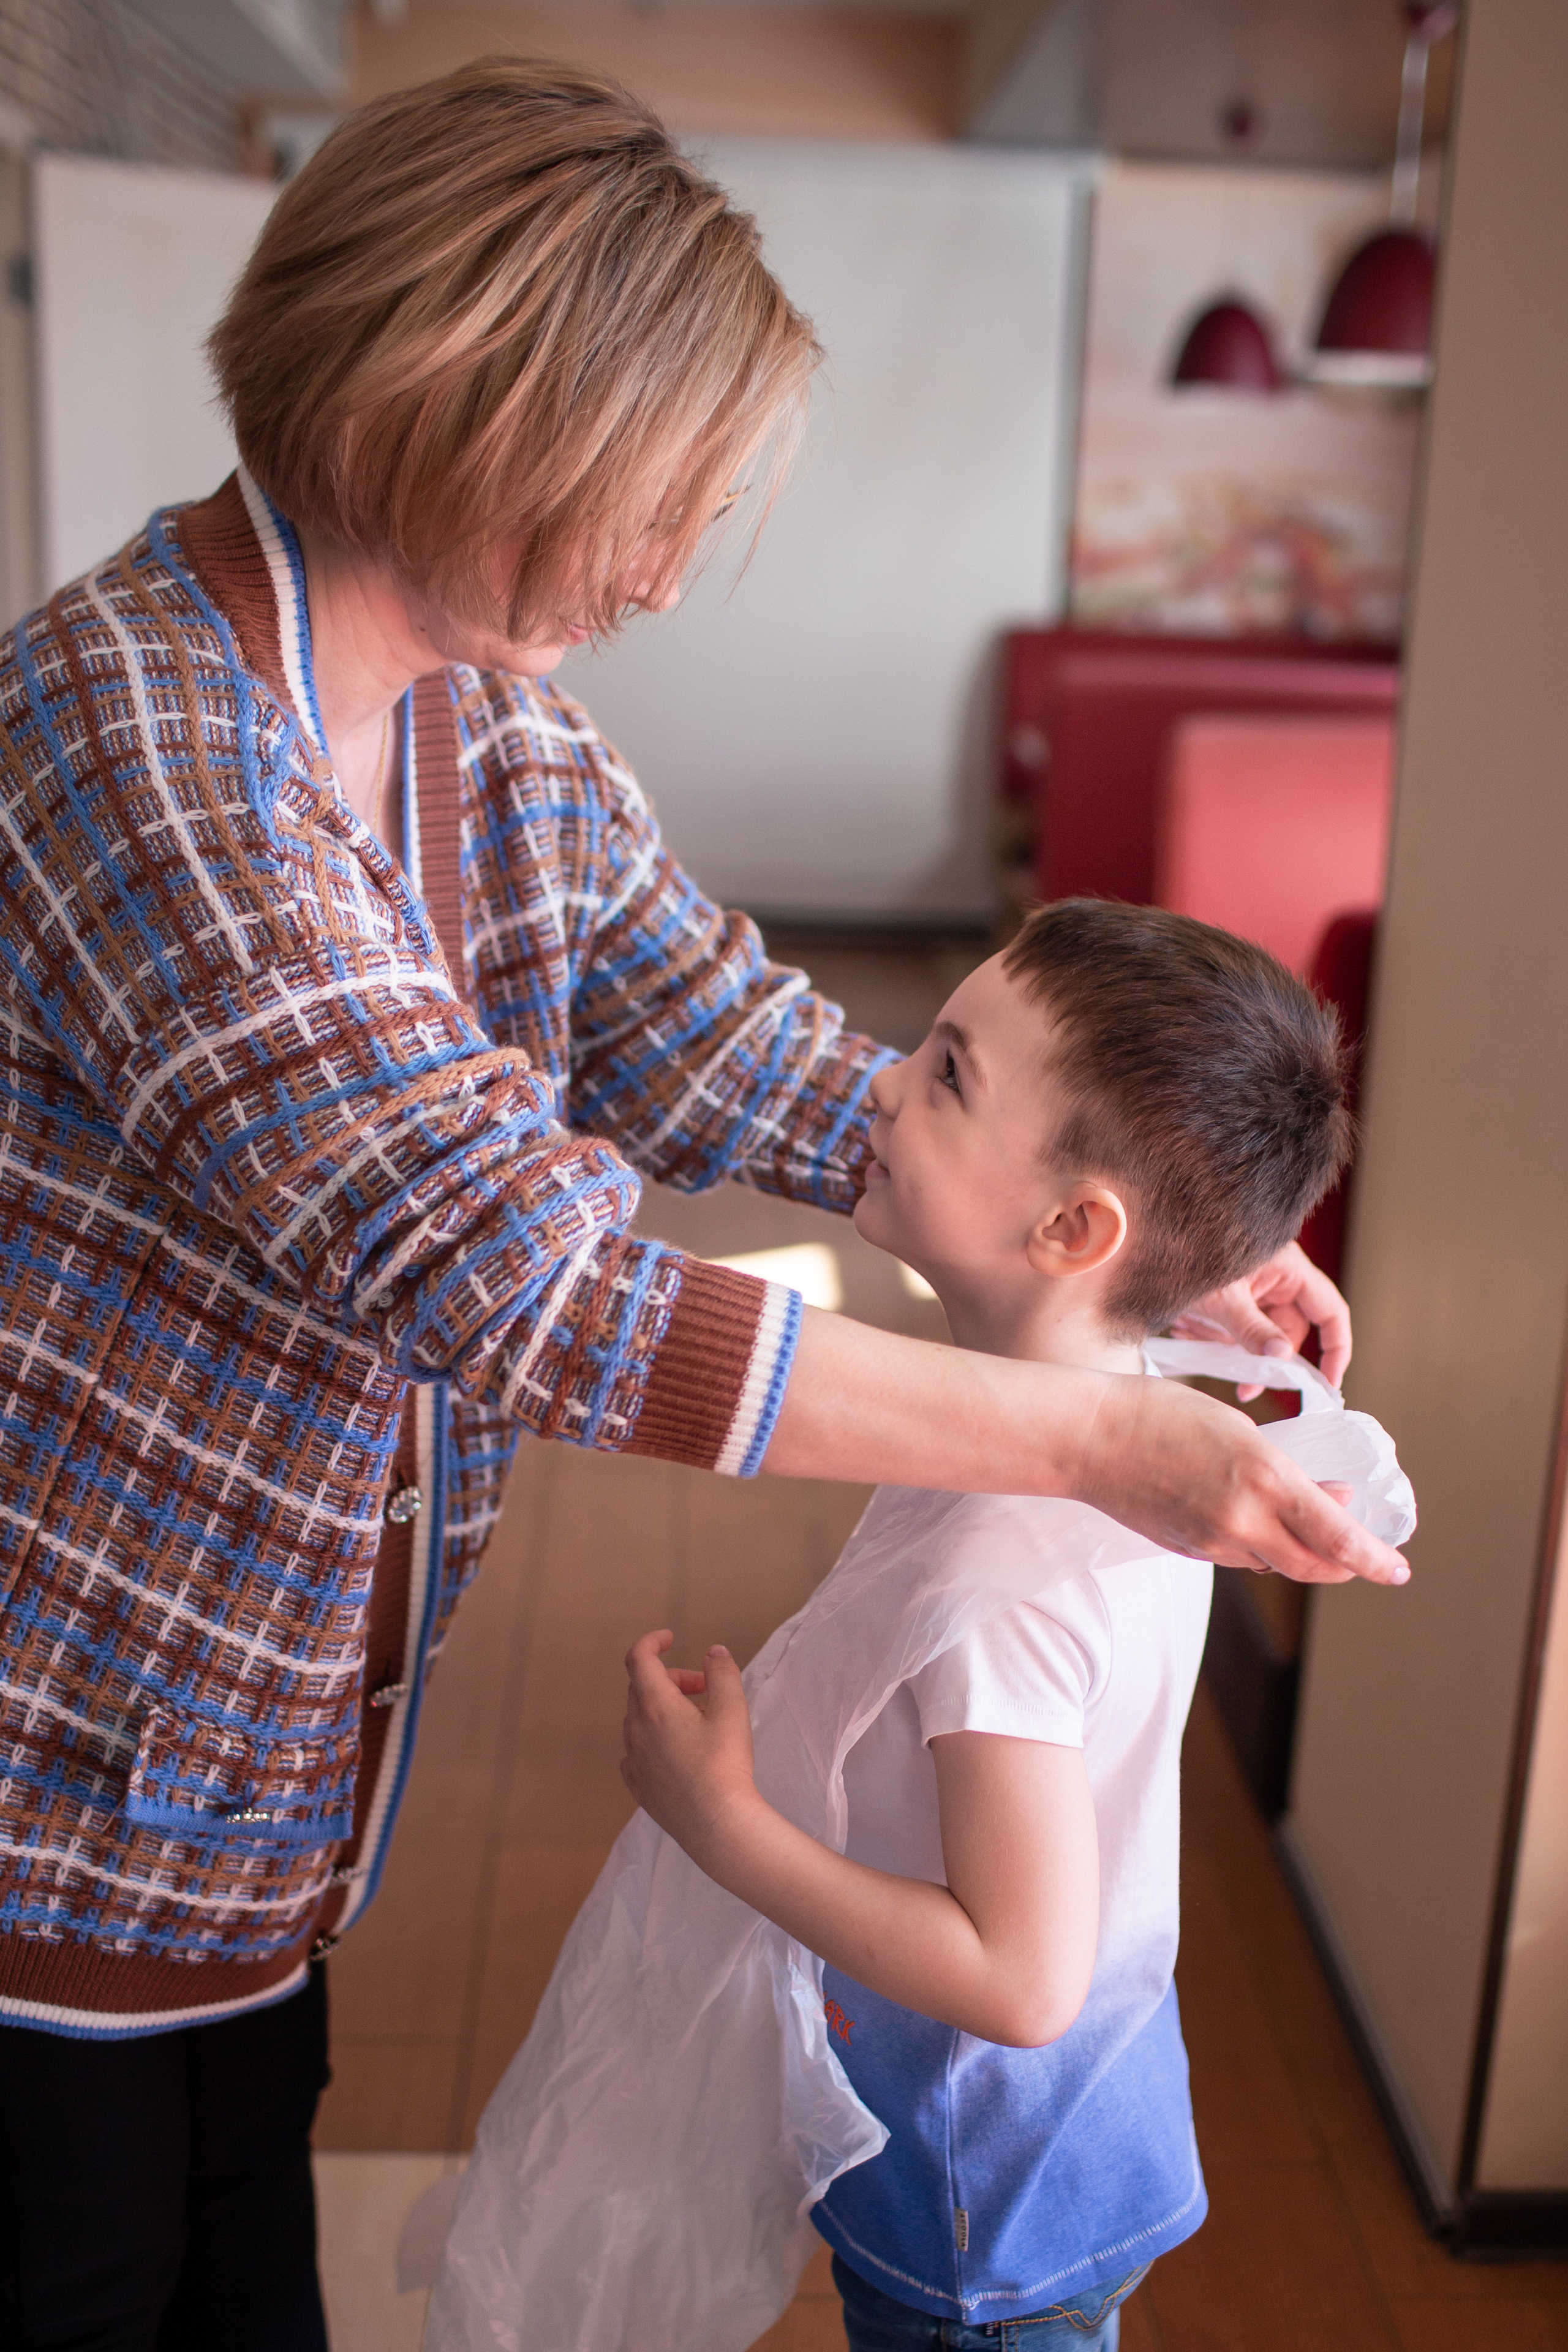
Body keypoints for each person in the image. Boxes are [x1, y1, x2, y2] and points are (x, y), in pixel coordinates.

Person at [0, 59, 1401, 2350]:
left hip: (261, 1777)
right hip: (65, 1759)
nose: (662, 573)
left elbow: (727, 1036)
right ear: (461, 417)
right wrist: (1096, 1431)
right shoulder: (139, 741)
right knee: (89, 2264)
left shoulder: (488, 733)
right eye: (641, 505)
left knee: (234, 2243)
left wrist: (1150, 1226)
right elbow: (528, 1285)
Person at [424, 902, 1412, 2352]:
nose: (880, 1084)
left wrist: (725, 1826)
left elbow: (1019, 1982)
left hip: (978, 2219)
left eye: (945, 1074)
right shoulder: (1146, 1427)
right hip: (1068, 2147)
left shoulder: (1003, 1577)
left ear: (1073, 1230)